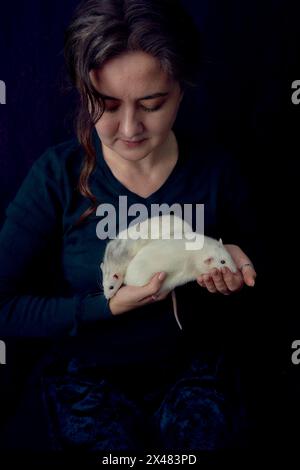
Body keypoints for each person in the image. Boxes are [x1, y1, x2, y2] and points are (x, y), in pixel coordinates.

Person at [0, 0, 258, 454]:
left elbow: (266, 310)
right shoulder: (57, 175)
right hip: (84, 380)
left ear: (180, 90)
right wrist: (105, 308)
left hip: (196, 377)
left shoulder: (218, 173)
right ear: (84, 94)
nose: (129, 128)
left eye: (152, 104)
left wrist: (235, 281)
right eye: (106, 105)